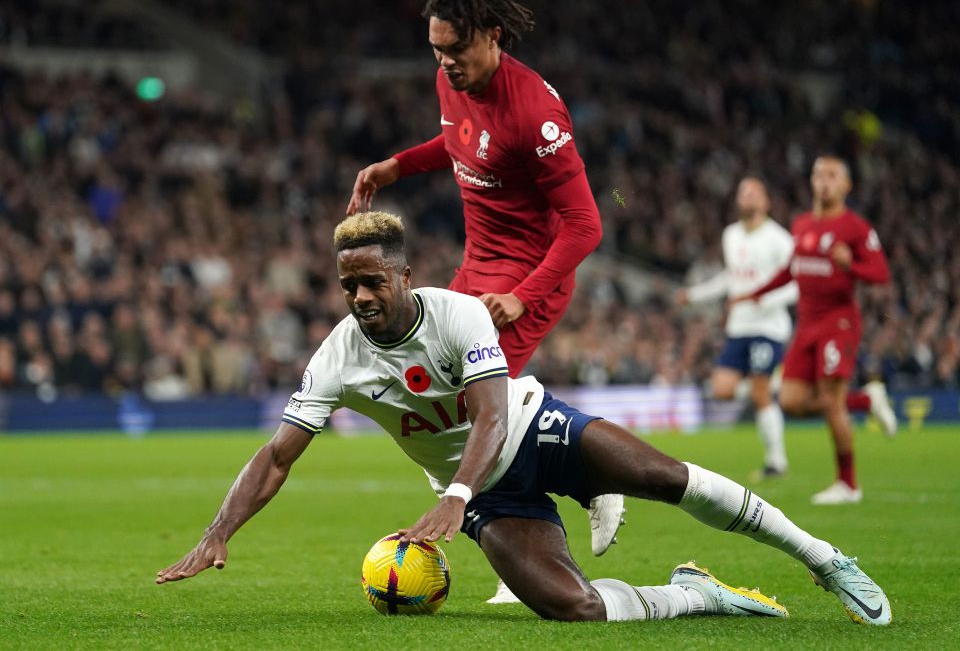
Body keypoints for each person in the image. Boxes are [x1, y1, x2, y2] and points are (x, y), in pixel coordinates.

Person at [157, 212, 892, 627]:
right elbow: (278, 455)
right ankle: (698, 592)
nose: (358, 297)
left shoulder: (458, 314)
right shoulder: (337, 357)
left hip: (536, 431)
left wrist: (453, 497)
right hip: (491, 497)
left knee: (666, 477)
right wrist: (216, 533)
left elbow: (489, 415)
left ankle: (824, 559)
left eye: (371, 281)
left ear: (405, 276)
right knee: (572, 610)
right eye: (348, 285)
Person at [345, 0, 620, 597]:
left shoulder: (537, 113)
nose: (445, 64)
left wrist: (523, 298)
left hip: (527, 276)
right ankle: (552, 511)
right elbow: (462, 142)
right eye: (436, 52)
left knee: (474, 414)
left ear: (492, 34)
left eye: (456, 50)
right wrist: (396, 167)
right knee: (436, 407)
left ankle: (556, 516)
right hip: (476, 265)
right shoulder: (456, 82)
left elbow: (585, 226)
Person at [735, 156, 896, 505]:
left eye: (832, 176)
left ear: (846, 186)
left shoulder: (855, 227)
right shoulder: (802, 223)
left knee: (832, 401)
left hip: (838, 321)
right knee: (791, 401)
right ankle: (867, 400)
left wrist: (849, 264)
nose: (824, 181)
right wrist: (755, 293)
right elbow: (791, 270)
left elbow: (880, 273)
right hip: (806, 324)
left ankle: (848, 484)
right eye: (819, 175)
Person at [676, 178, 797, 479]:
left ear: (766, 201)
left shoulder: (780, 240)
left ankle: (776, 461)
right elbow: (730, 279)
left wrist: (762, 300)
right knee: (721, 388)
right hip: (739, 326)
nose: (747, 197)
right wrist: (695, 295)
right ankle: (771, 385)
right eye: (743, 192)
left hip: (768, 327)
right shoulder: (731, 235)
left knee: (759, 393)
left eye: (754, 192)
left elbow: (797, 284)